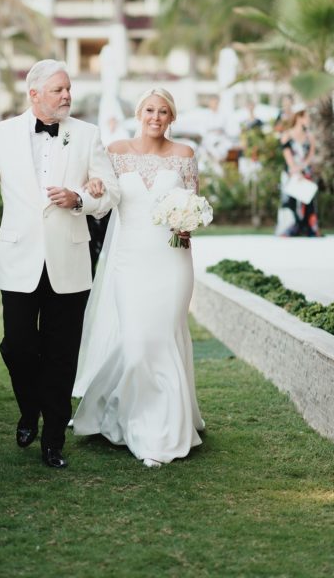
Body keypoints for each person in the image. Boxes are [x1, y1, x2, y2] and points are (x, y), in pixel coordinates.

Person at [0, 59, 120, 469]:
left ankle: (53, 438)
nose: (67, 96)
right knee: (16, 345)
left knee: (62, 352)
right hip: (19, 258)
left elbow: (112, 193)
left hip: (70, 258)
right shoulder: (0, 135)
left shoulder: (87, 135)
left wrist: (81, 200)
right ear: (33, 94)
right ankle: (29, 407)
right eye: (58, 90)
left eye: (68, 89)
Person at [73, 87, 205, 468]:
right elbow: (98, 195)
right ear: (138, 113)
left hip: (172, 263)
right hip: (129, 263)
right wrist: (92, 186)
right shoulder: (115, 152)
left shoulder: (185, 156)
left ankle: (161, 429)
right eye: (150, 109)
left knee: (164, 339)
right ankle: (129, 414)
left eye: (164, 111)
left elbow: (194, 207)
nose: (156, 117)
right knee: (135, 344)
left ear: (172, 118)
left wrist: (187, 223)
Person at [275, 105, 320, 237]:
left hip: (306, 173)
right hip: (290, 173)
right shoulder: (287, 135)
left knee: (307, 200)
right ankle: (289, 228)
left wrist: (303, 168)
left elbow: (311, 155)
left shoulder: (309, 136)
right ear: (299, 117)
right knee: (289, 201)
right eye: (307, 117)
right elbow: (287, 155)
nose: (309, 120)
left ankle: (308, 228)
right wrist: (295, 171)